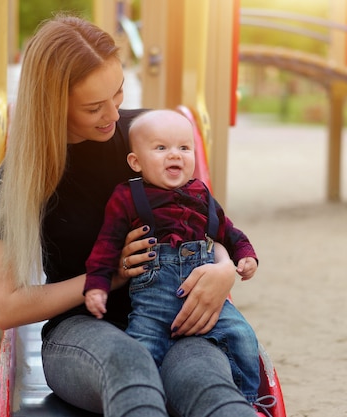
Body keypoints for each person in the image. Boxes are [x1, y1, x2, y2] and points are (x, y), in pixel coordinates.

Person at [0, 13, 261, 417]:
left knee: (207, 382)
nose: (114, 115)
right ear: (53, 106)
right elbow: (5, 306)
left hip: (175, 321)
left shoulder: (148, 139)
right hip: (82, 332)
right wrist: (112, 275)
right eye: (94, 107)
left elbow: (203, 220)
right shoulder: (24, 173)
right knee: (131, 367)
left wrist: (223, 268)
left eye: (118, 93)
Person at [84, 109, 261, 404]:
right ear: (136, 162)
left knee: (241, 335)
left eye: (184, 148)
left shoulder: (201, 195)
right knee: (140, 355)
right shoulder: (128, 197)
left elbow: (228, 232)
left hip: (201, 297)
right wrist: (97, 285)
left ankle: (250, 400)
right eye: (161, 148)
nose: (174, 155)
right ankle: (147, 404)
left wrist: (245, 255)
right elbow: (107, 245)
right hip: (153, 306)